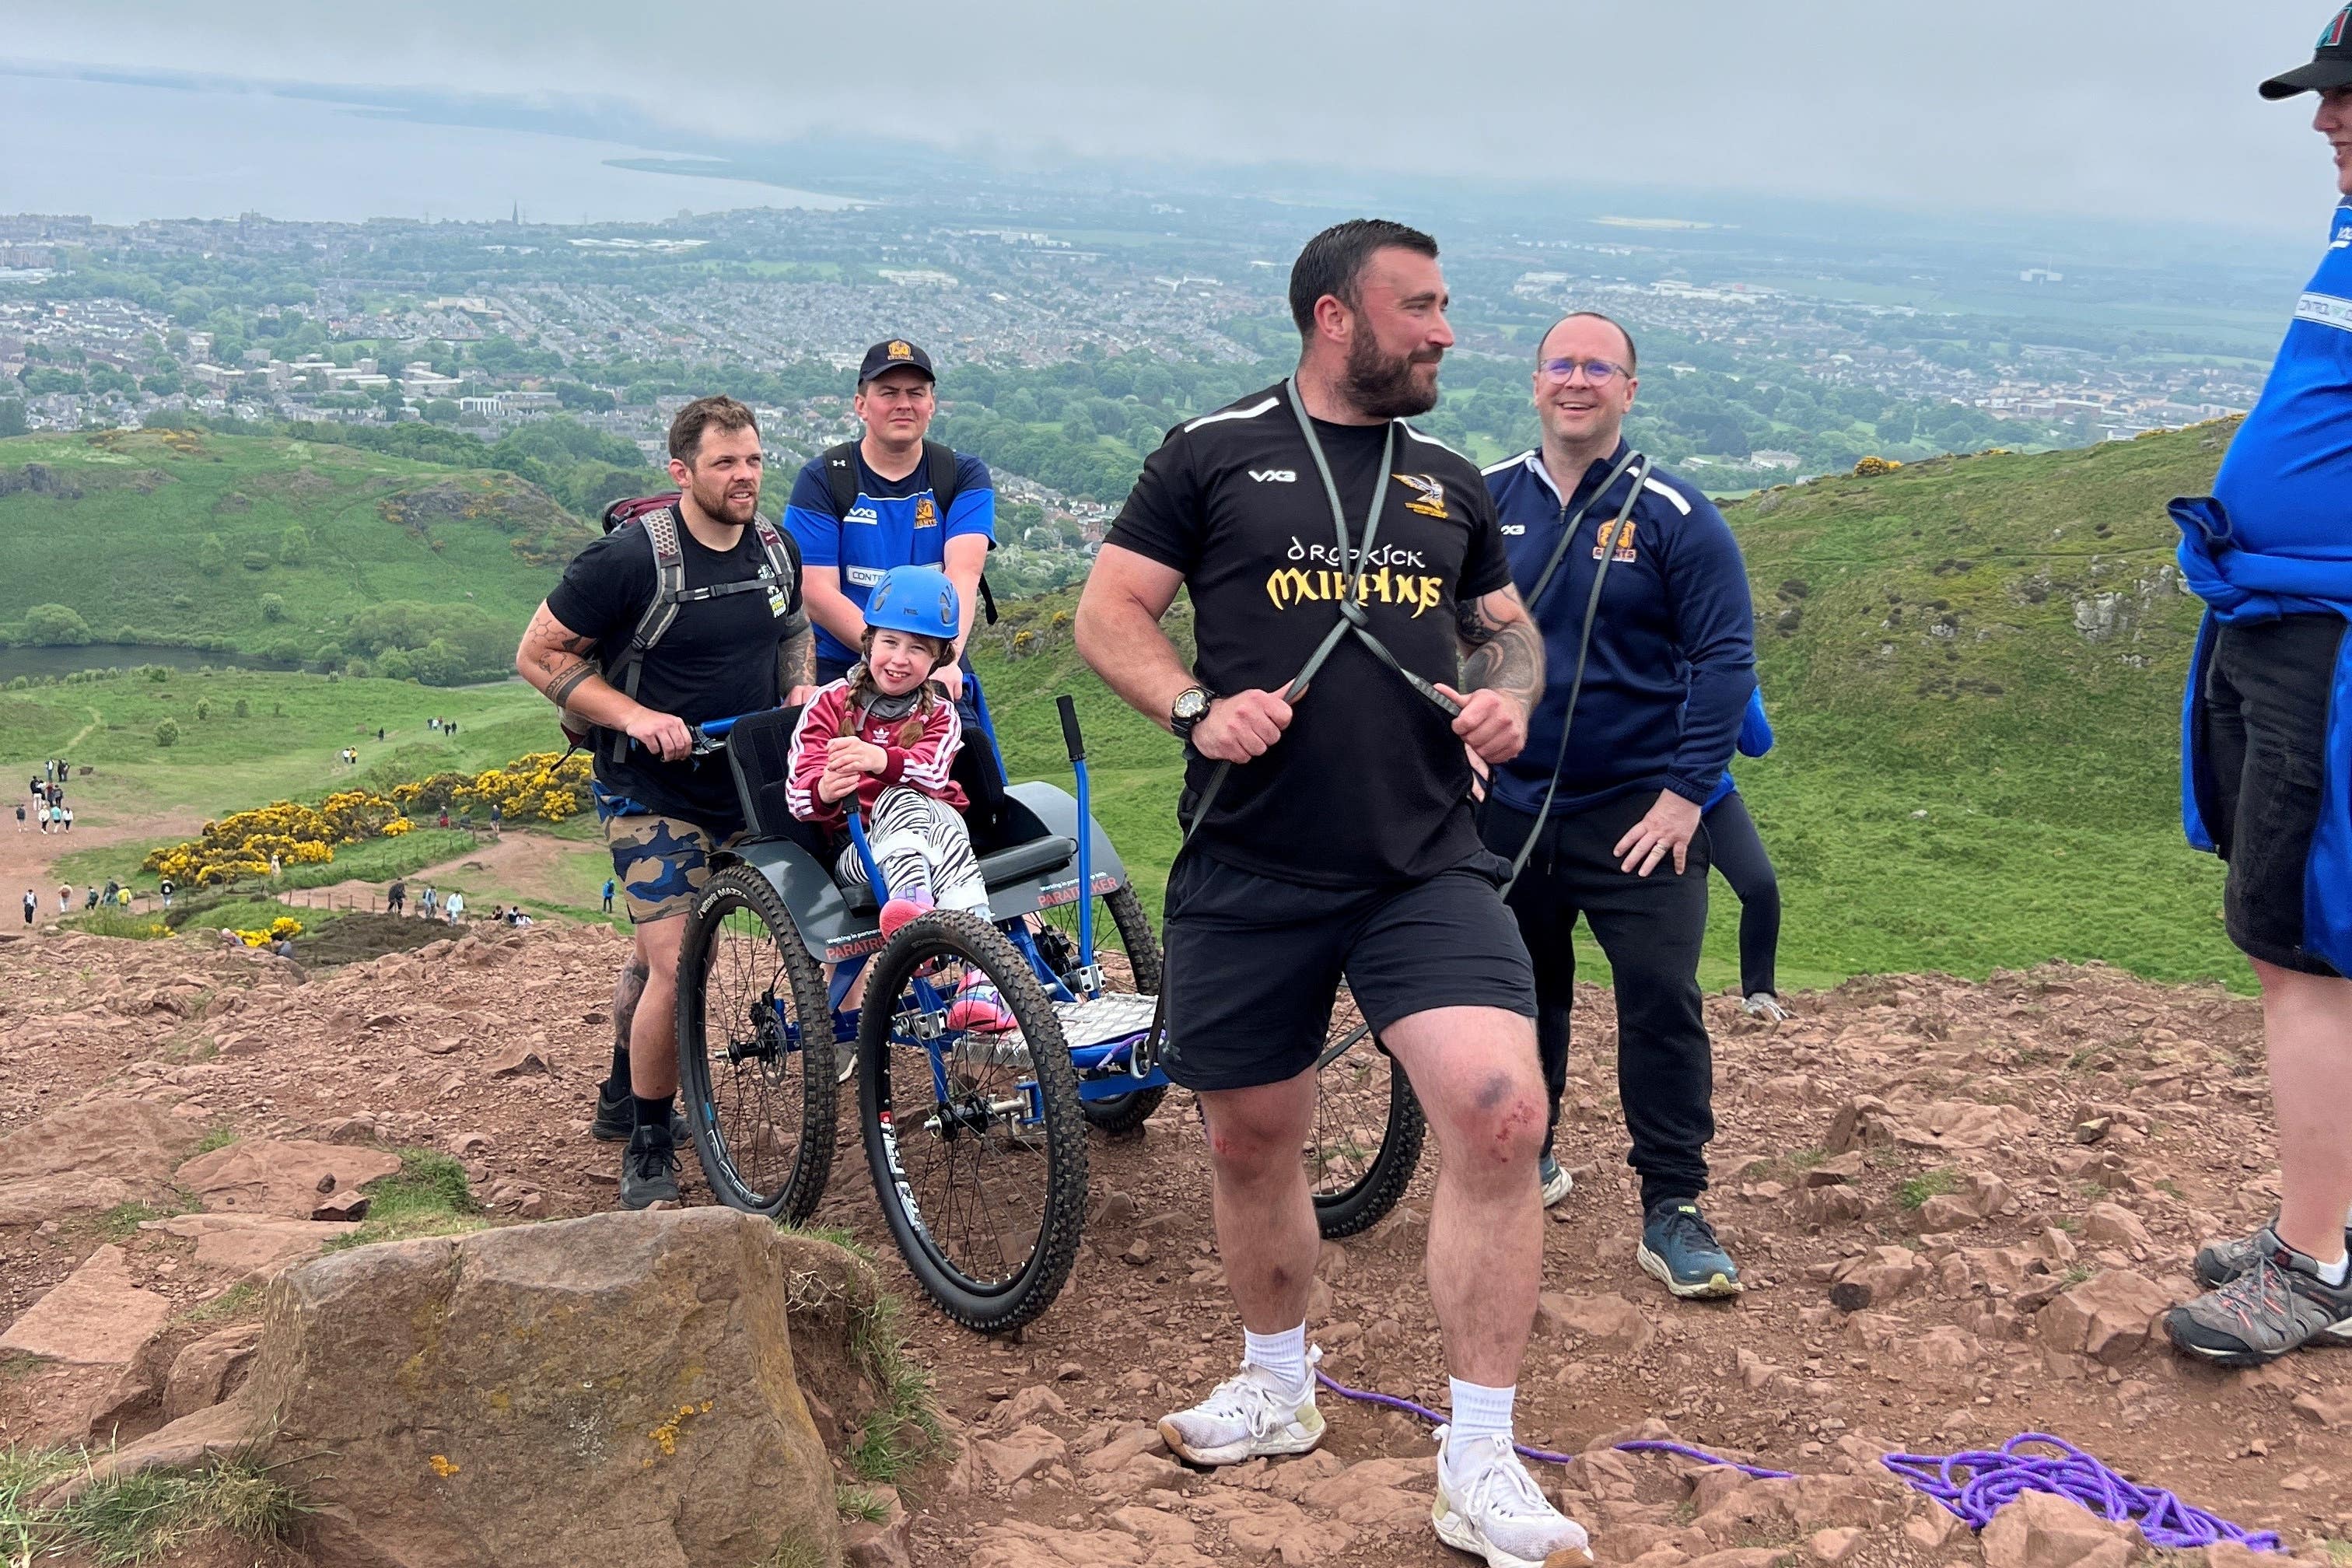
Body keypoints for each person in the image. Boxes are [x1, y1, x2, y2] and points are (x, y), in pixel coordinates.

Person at [1075, 219, 1587, 1568]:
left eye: (1442, 306)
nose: (1442, 332)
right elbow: (1108, 611)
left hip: (1420, 857)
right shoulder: (1208, 452)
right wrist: (1190, 704)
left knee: (1498, 1113)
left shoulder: (1446, 480)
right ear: (1330, 317)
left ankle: (1479, 1452)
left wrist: (1509, 700)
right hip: (1248, 860)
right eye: (1417, 307)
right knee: (1252, 1137)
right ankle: (1276, 1381)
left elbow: (1506, 625)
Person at [1479, 310, 1758, 1297]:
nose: (1579, 380)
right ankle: (1532, 1157)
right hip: (1509, 811)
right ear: (1536, 380)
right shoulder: (1488, 500)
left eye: (1601, 367)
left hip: (1641, 818)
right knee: (1521, 999)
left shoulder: (1679, 515)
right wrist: (1458, 748)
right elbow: (1446, 633)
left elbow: (1728, 660)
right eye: (1562, 362)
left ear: (1629, 391)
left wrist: (1686, 799)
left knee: (1661, 1005)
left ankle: (1673, 1206)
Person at [2163, 15, 2352, 1367]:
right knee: (2290, 938)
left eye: (2344, 98)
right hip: (2277, 618)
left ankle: (2310, 1268)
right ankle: (2323, 1221)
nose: (2319, 122)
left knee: (2303, 950)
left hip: (2323, 635)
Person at [515, 393, 816, 1210]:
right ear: (682, 472)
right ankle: (649, 1139)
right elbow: (537, 653)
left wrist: (800, 693)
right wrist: (639, 719)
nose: (745, 477)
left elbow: (792, 630)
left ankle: (621, 1085)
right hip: (650, 791)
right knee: (680, 966)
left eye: (753, 459)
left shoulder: (774, 548)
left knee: (655, 960)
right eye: (725, 463)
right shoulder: (626, 560)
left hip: (747, 786)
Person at [786, 565, 1013, 1030]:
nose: (899, 659)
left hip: (933, 842)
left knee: (936, 817)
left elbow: (931, 772)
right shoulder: (828, 704)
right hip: (859, 849)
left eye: (918, 649)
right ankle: (938, 945)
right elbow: (798, 795)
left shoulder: (943, 715)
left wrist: (876, 758)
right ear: (869, 642)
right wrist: (826, 789)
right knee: (907, 806)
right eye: (890, 642)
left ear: (937, 661)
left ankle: (956, 965)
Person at [784, 338, 995, 693]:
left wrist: (938, 658)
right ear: (861, 405)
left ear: (932, 404)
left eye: (916, 393)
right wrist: (891, 661)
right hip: (844, 660)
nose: (904, 405)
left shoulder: (961, 475)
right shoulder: (823, 478)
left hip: (937, 656)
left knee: (966, 745)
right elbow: (818, 592)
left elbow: (964, 572)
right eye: (888, 393)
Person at [1705, 689, 1787, 1020]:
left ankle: (1759, 991)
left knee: (1761, 886)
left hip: (1712, 798)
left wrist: (1744, 683)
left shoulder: (1723, 661)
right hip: (1644, 800)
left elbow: (1757, 744)